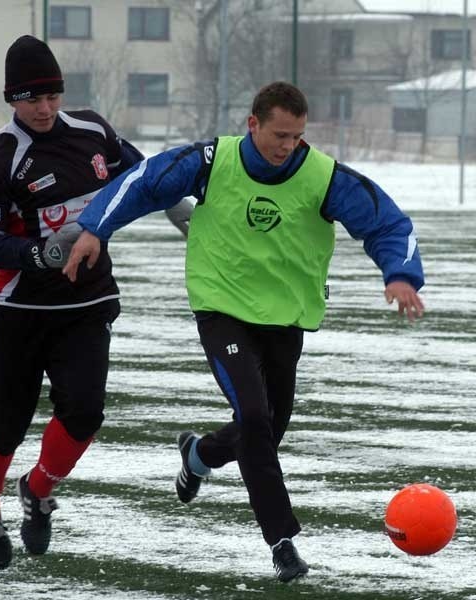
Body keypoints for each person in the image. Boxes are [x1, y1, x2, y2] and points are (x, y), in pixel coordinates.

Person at [60, 81, 425, 584]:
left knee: (267, 429)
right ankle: (283, 542)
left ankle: (199, 454)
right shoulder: (211, 162)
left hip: (284, 318)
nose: (288, 146)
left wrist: (400, 273)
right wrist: (95, 228)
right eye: (279, 134)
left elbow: (385, 222)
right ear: (252, 124)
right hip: (222, 310)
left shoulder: (322, 176)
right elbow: (142, 183)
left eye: (297, 136)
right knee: (253, 417)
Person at [0, 34, 187, 571]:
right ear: (10, 99)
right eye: (31, 99)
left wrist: (181, 209)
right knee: (6, 425)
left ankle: (38, 490)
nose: (44, 109)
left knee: (85, 413)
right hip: (22, 312)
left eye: (52, 97)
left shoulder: (92, 130)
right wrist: (39, 253)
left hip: (88, 304)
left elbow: (141, 178)